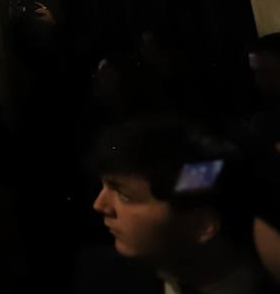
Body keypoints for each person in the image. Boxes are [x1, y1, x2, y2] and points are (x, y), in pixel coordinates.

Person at [78, 119, 267, 293]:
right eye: (103, 186)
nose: (99, 205)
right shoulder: (98, 276)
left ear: (202, 224)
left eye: (124, 195)